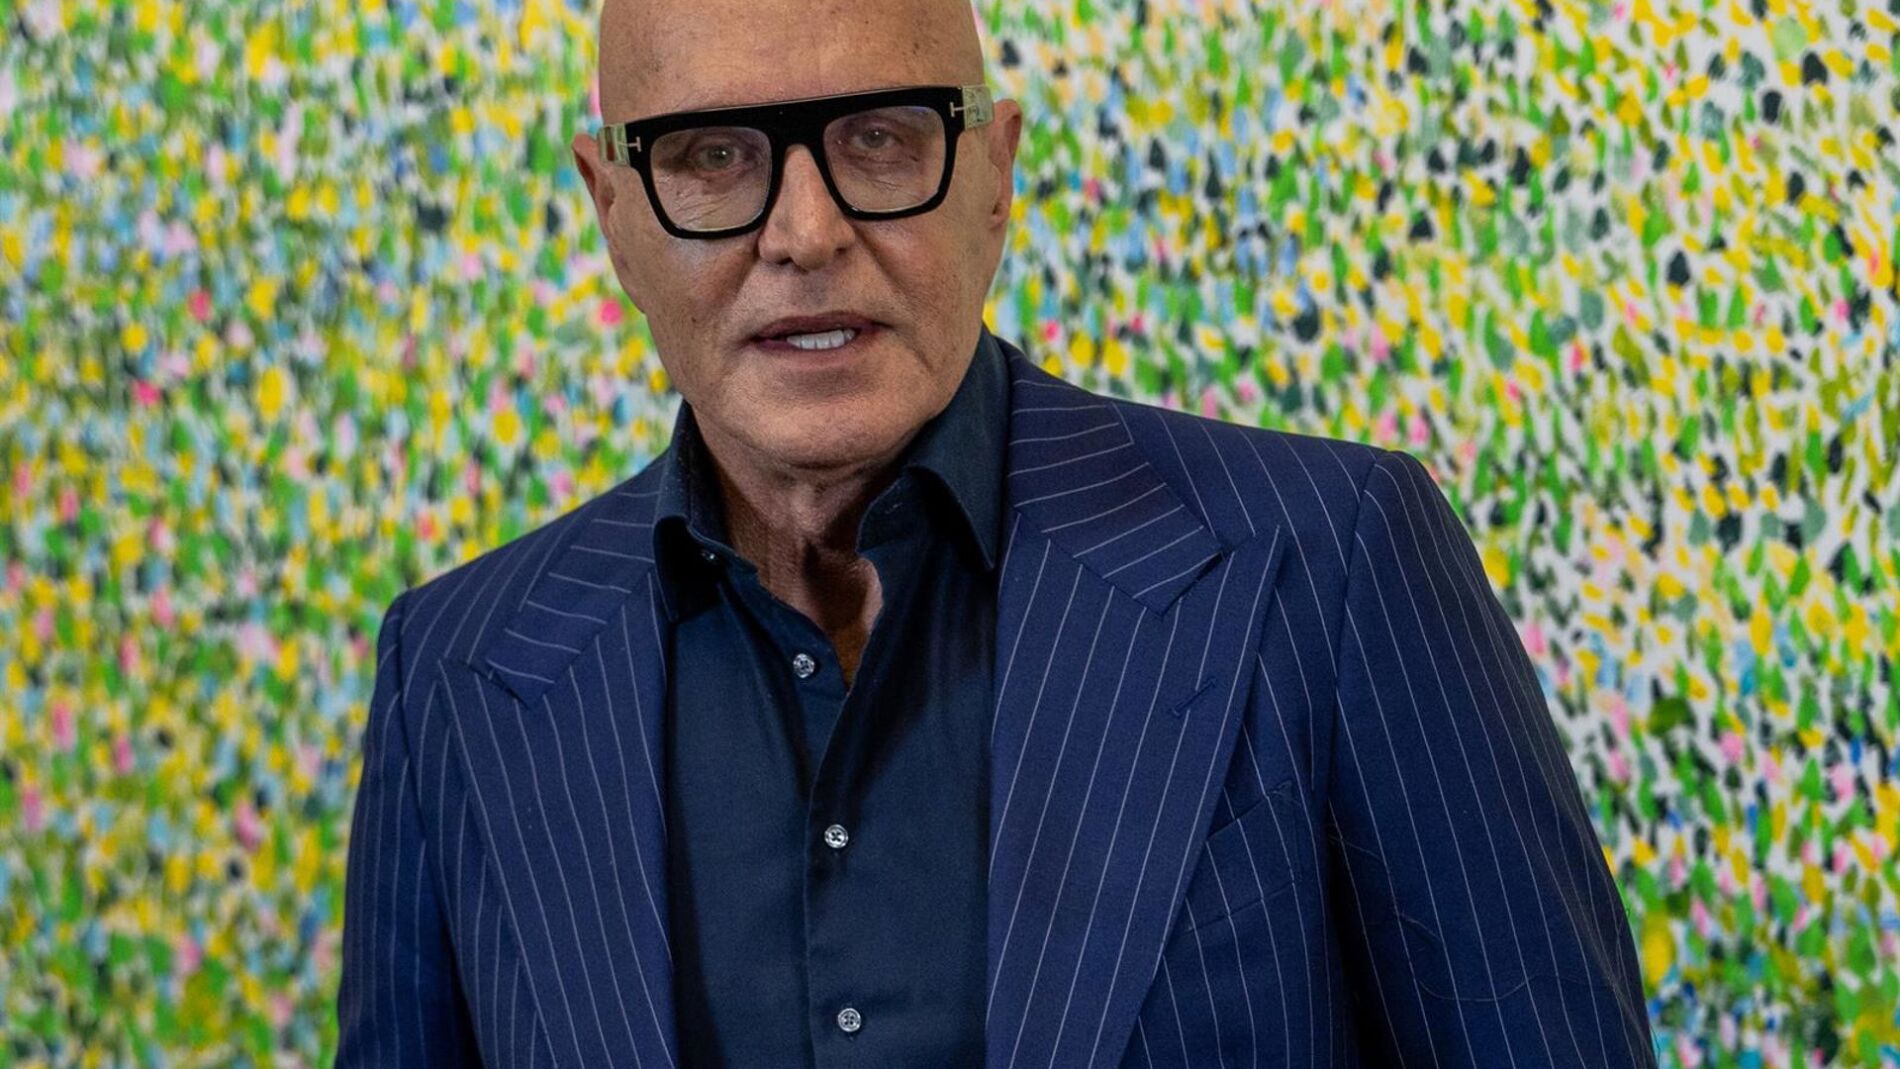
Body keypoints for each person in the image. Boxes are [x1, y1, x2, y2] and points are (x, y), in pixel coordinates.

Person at [334, 0, 1659, 1064]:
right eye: (712, 156)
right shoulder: (453, 671)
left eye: (880, 138)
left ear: (995, 174)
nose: (807, 232)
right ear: (613, 210)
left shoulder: (1334, 560)